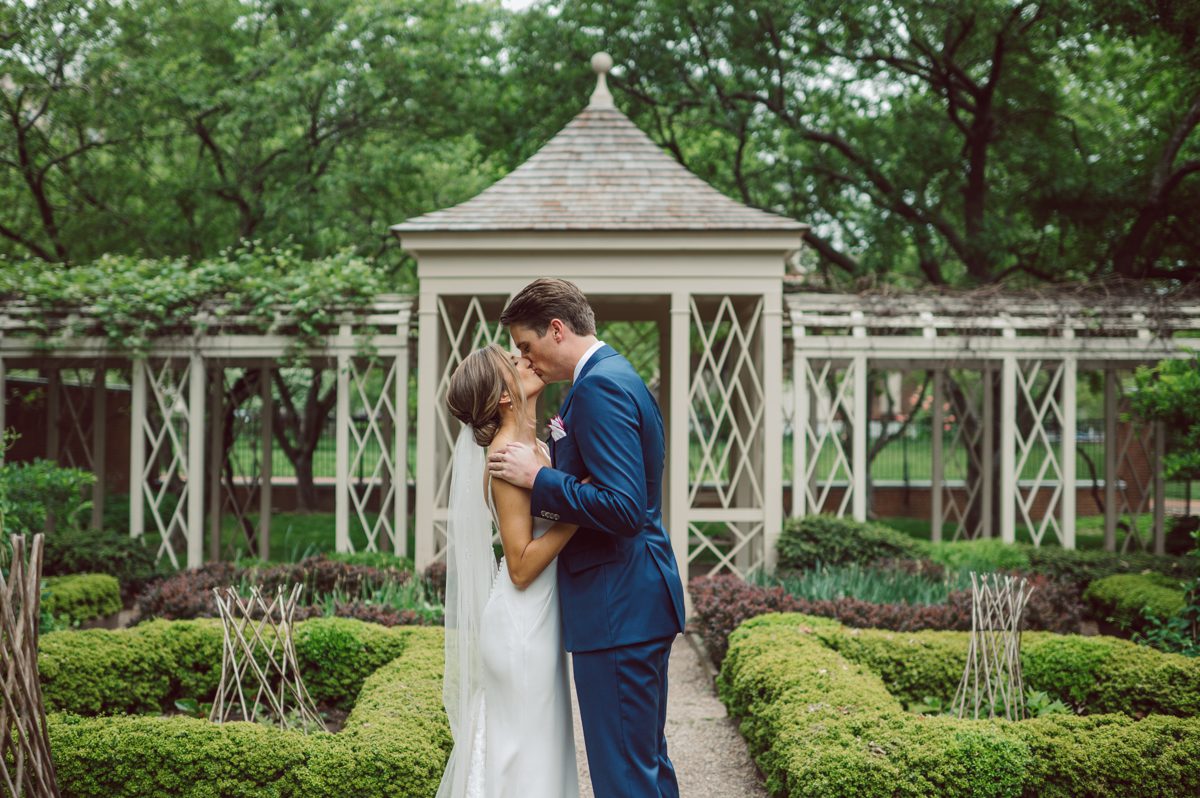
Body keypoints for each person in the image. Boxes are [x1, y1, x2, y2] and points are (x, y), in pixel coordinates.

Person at [488, 278, 687, 798]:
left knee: (625, 775)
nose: (526, 361)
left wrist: (540, 479)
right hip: (629, 600)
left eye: (527, 346)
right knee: (642, 763)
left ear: (556, 329)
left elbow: (623, 507)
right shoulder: (614, 374)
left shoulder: (599, 386)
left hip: (617, 604)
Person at [436, 343, 580, 798]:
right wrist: (583, 511)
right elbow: (519, 565)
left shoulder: (532, 446)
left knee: (535, 754)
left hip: (536, 620)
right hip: (522, 627)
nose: (529, 361)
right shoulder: (505, 457)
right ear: (503, 396)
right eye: (517, 363)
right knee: (525, 761)